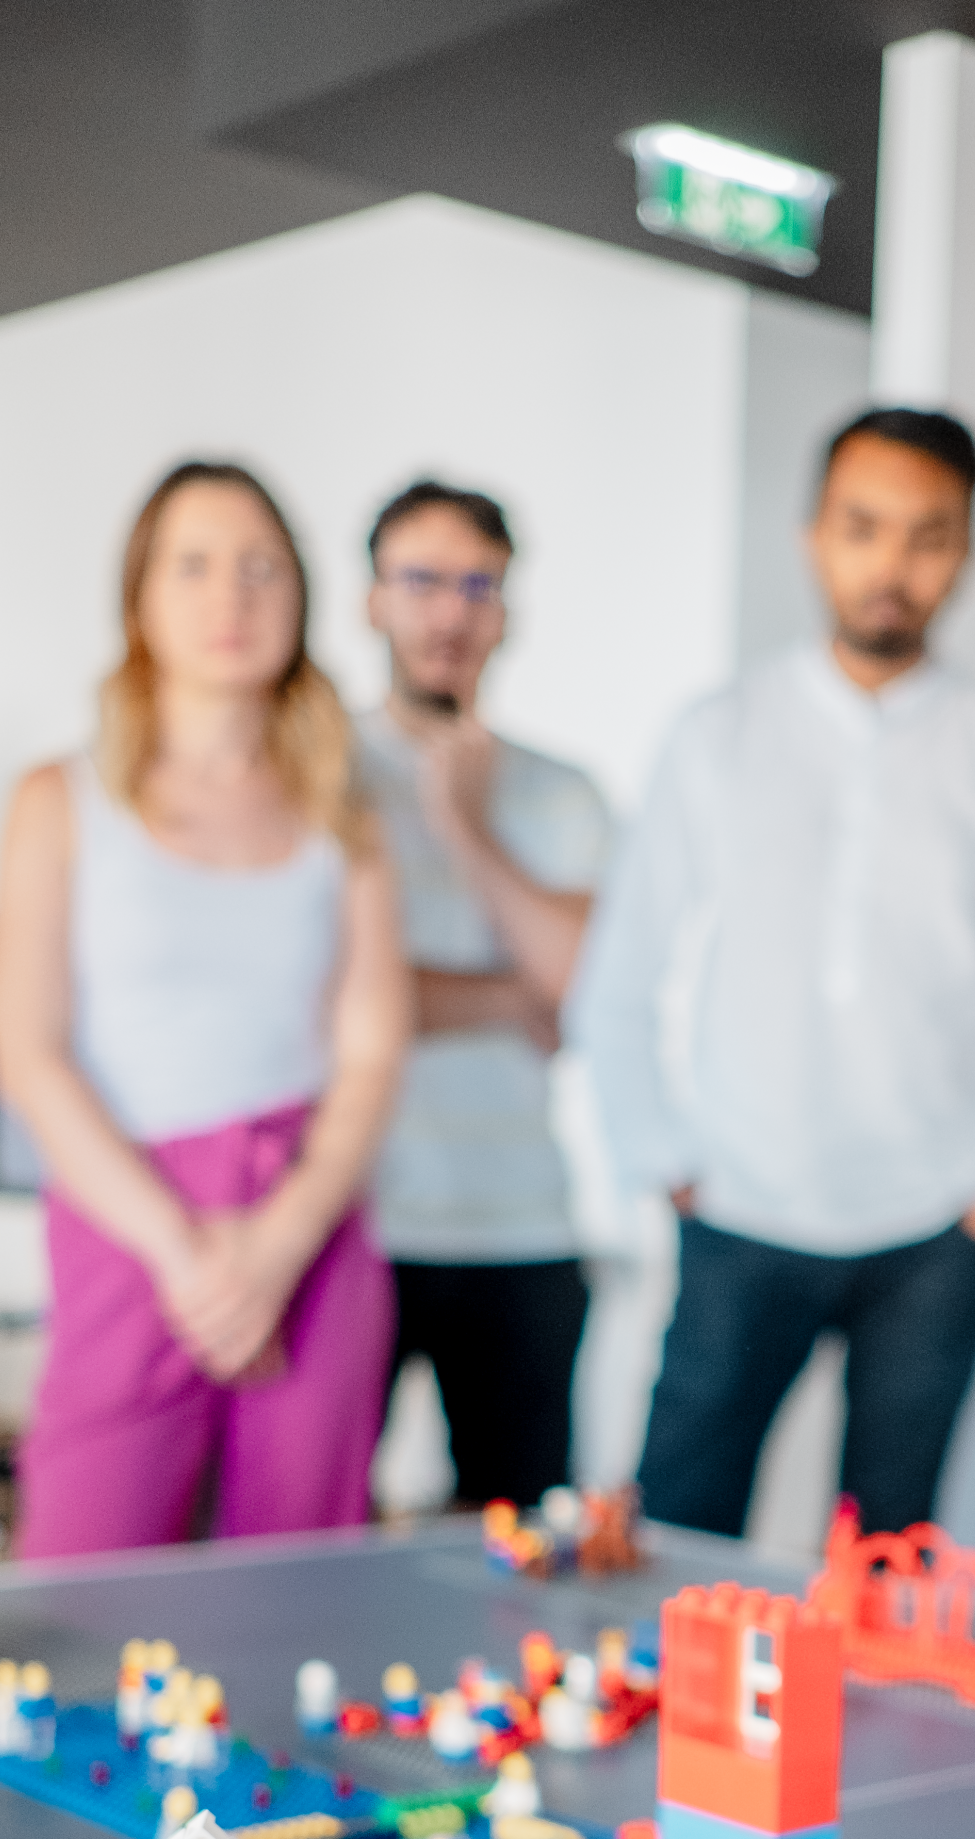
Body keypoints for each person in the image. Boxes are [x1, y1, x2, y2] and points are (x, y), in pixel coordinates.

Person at [569, 405, 975, 1540]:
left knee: (891, 1571)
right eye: (864, 527)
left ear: (967, 553)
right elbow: (619, 981)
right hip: (738, 1209)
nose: (893, 564)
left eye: (928, 536)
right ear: (812, 536)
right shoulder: (716, 737)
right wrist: (665, 1162)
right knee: (676, 1539)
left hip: (938, 1230)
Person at [0, 461, 408, 1557]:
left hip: (306, 1214)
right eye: (195, 565)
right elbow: (28, 1053)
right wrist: (183, 1250)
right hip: (127, 1212)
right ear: (139, 600)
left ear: (301, 599)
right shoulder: (58, 800)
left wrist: (283, 1237)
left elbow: (371, 1044)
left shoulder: (344, 807)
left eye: (261, 567)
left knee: (302, 1574)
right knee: (87, 1569)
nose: (231, 597)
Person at [359, 479, 613, 1506]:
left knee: (517, 1559)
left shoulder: (562, 792)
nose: (449, 612)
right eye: (420, 580)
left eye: (477, 585)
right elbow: (320, 1000)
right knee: (313, 1533)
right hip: (359, 1226)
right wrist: (515, 995)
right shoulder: (317, 769)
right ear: (372, 599)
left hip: (525, 1233)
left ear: (507, 609)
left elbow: (587, 994)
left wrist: (464, 824)